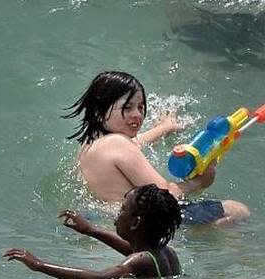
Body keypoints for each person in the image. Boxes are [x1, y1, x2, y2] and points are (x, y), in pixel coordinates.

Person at [64, 71, 248, 227]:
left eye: (141, 107)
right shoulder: (119, 144)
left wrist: (164, 128)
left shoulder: (90, 145)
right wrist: (200, 182)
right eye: (128, 108)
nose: (137, 114)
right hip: (146, 224)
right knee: (238, 209)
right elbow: (164, 195)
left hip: (111, 219)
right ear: (99, 111)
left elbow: (135, 143)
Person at [3, 185, 183, 279]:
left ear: (135, 223)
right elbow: (132, 249)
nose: (116, 215)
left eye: (122, 210)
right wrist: (91, 230)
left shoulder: (140, 260)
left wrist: (39, 265)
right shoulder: (166, 252)